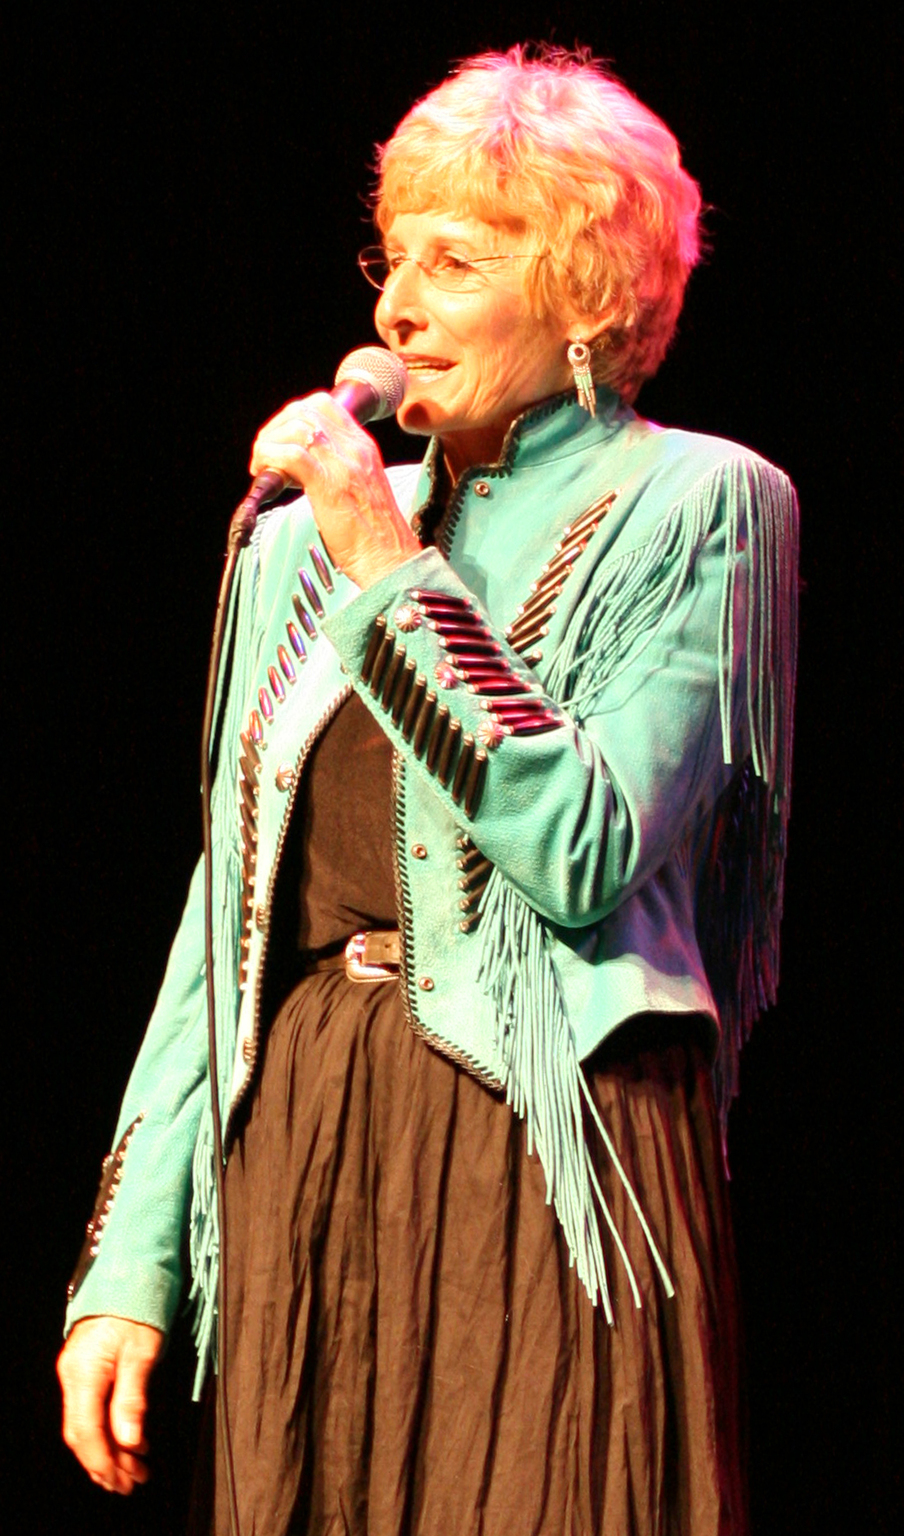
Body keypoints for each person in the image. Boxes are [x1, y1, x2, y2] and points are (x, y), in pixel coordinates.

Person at [58, 45, 798, 1535]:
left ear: (592, 295)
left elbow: (581, 849)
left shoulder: (703, 502)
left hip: (551, 1142)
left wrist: (377, 556)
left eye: (459, 260)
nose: (398, 305)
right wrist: (130, 1269)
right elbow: (228, 923)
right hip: (316, 1136)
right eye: (392, 257)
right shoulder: (296, 548)